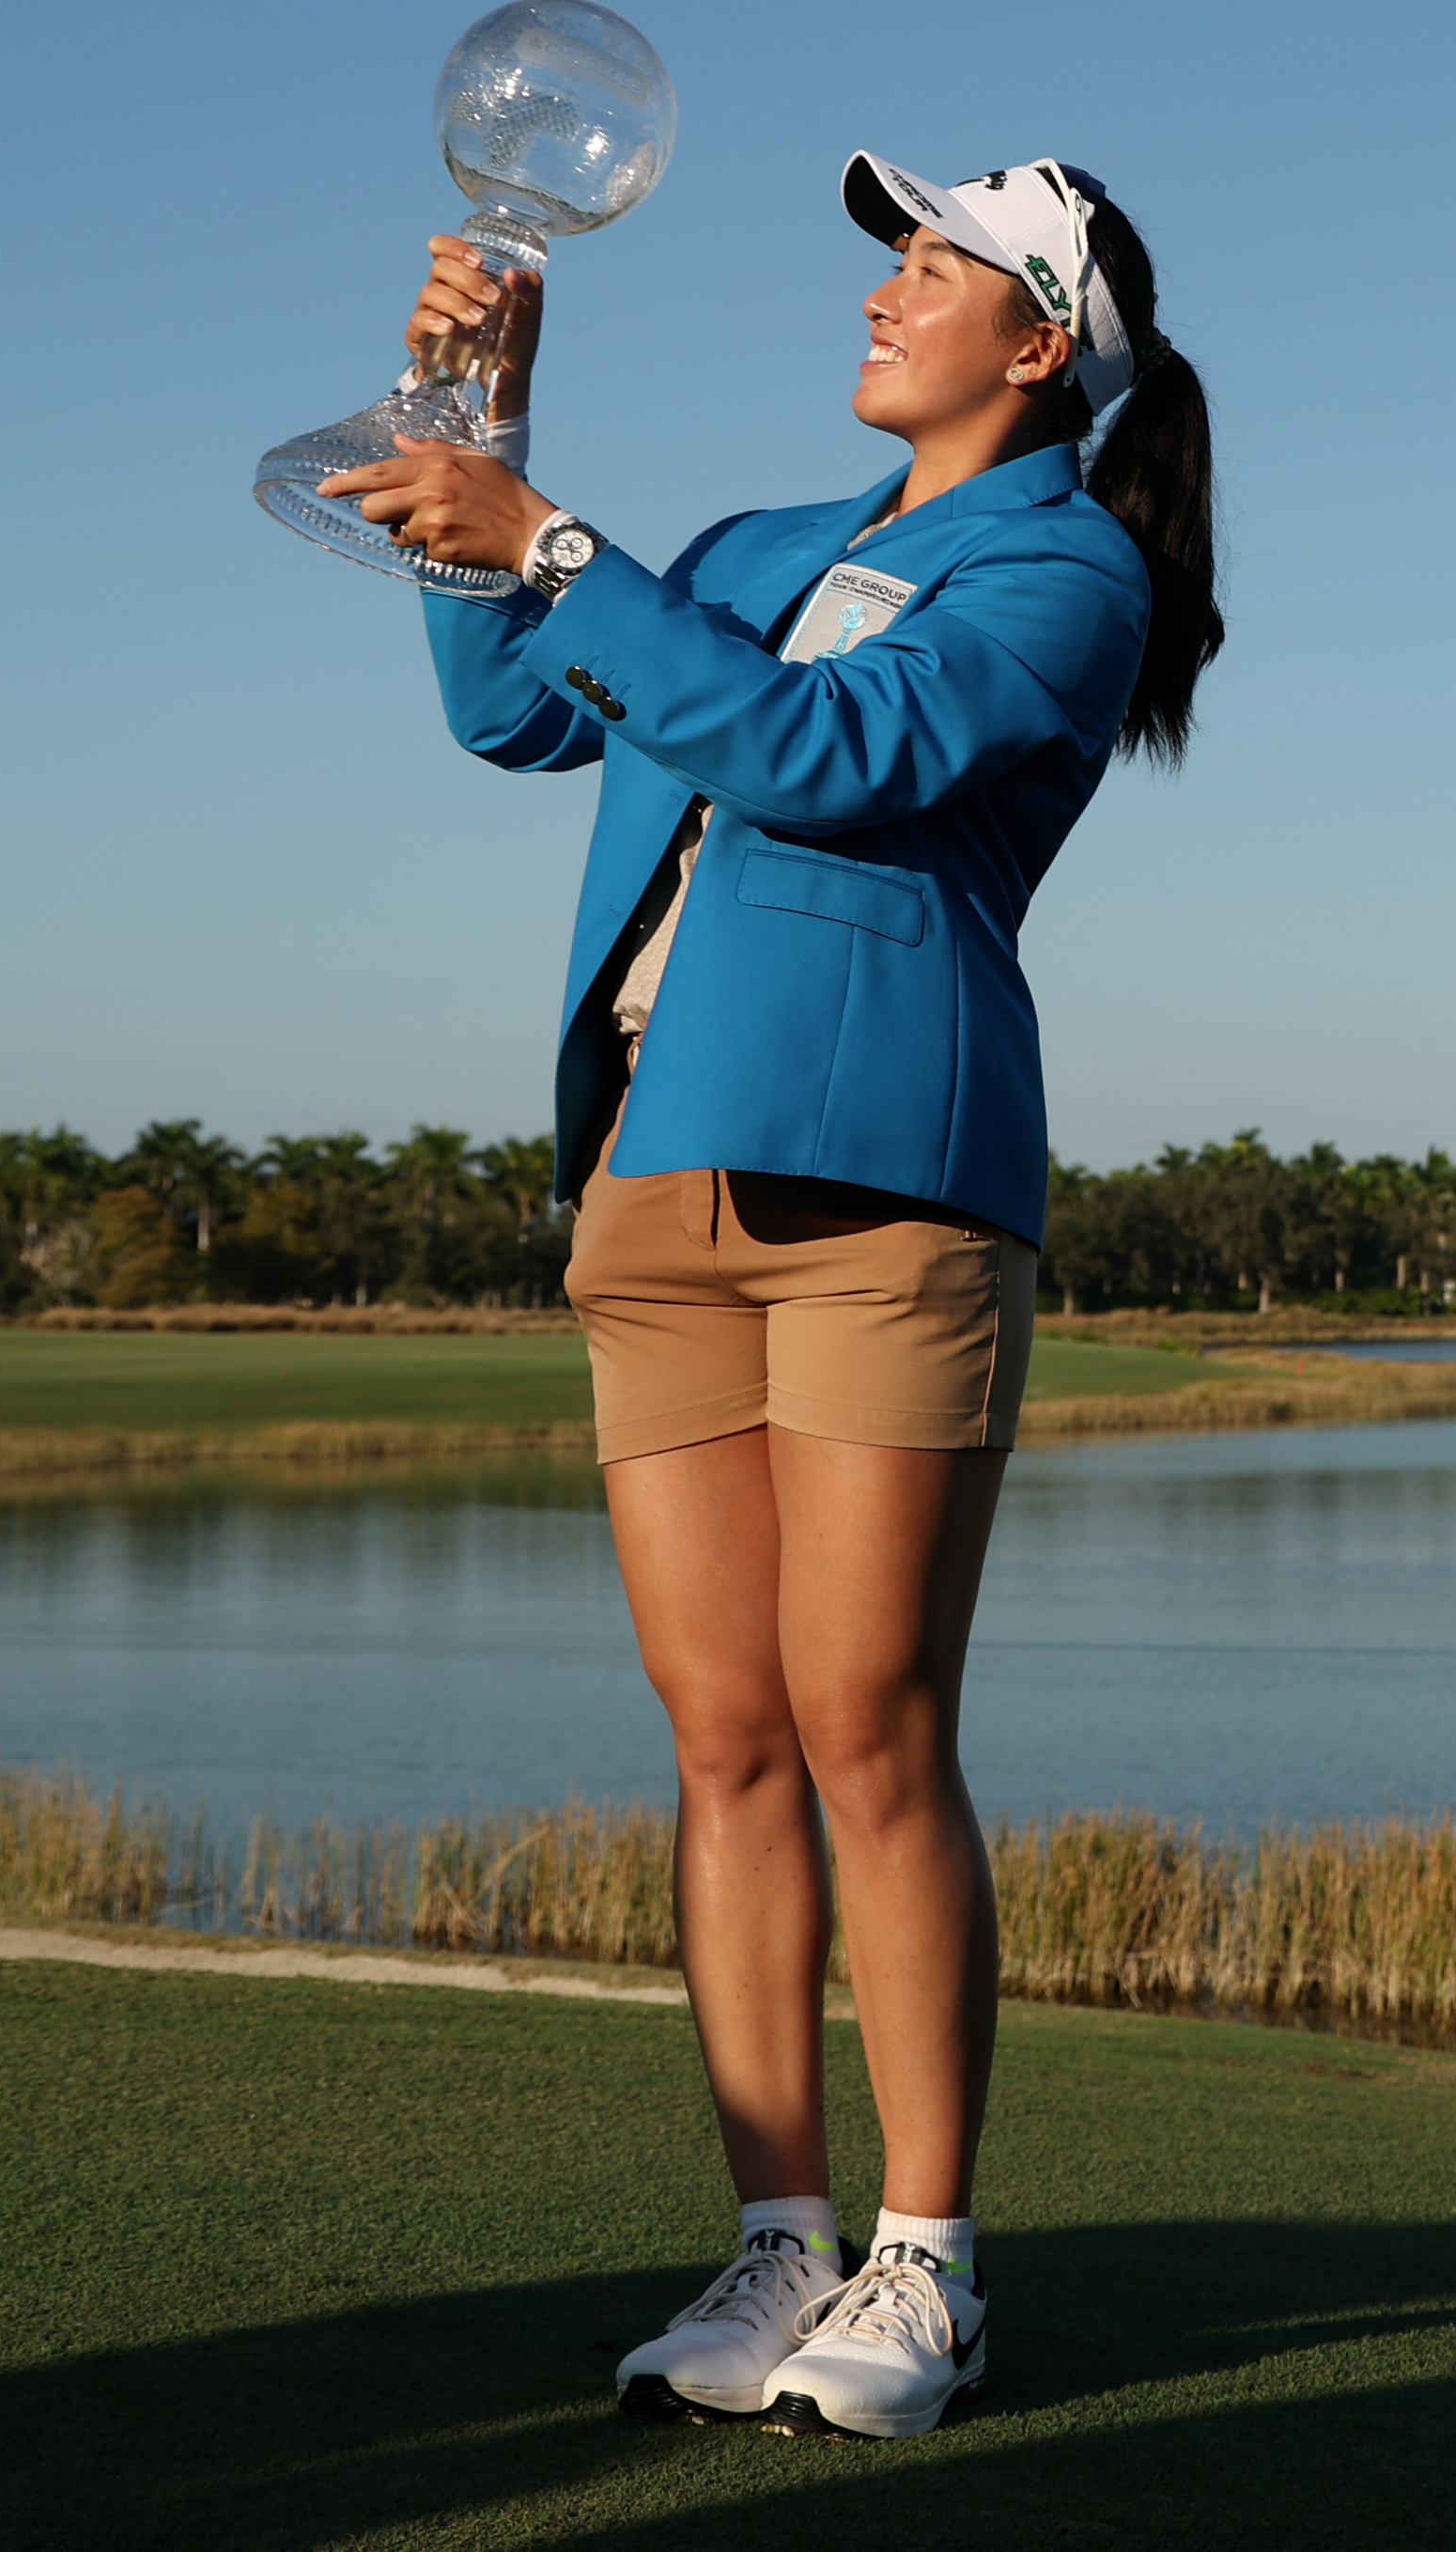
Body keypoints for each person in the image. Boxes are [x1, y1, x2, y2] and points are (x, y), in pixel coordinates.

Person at [320, 148, 1220, 2440]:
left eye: (939, 262)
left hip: (880, 1179)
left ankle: (927, 2262)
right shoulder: (732, 553)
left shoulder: (1066, 563)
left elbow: (836, 755)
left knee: (864, 1722)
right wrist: (492, 449)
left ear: (1041, 346)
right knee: (723, 1735)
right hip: (652, 1172)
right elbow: (515, 714)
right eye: (891, 251)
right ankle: (772, 2243)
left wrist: (543, 540)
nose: (887, 283)